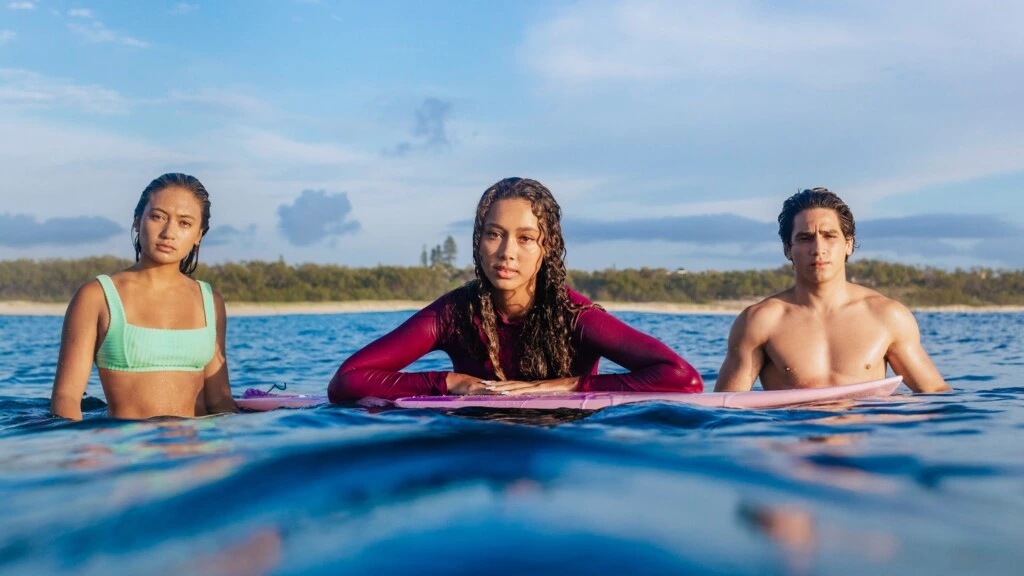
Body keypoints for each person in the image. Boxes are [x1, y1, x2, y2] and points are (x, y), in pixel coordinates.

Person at [329, 177, 703, 401]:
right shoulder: (454, 314)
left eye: (525, 238)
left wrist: (567, 386)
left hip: (567, 450)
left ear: (547, 249)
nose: (507, 253)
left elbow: (683, 378)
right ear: (478, 241)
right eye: (494, 234)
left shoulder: (574, 317)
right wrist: (450, 381)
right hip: (480, 448)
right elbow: (346, 381)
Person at [715, 188, 950, 393]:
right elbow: (725, 408)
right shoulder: (760, 321)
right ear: (788, 249)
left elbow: (936, 395)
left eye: (829, 236)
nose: (818, 249)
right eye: (805, 238)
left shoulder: (887, 317)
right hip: (793, 438)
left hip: (865, 439)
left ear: (848, 244)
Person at [50, 173, 237, 420]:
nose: (169, 232)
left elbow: (219, 400)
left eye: (184, 223)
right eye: (158, 217)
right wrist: (82, 453)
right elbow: (67, 399)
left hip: (199, 450)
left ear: (198, 235)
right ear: (138, 221)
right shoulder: (97, 296)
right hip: (129, 452)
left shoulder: (210, 300)